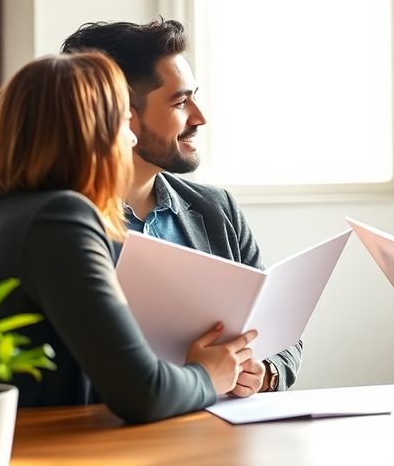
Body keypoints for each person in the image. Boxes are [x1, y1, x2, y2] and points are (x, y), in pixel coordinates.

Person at [0, 52, 257, 423]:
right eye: (122, 122)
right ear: (91, 132)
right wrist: (209, 376)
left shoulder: (7, 213)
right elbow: (143, 394)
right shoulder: (60, 219)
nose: (131, 137)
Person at [60, 20, 302, 396]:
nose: (199, 116)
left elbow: (280, 332)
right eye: (179, 102)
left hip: (219, 433)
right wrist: (199, 378)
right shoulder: (62, 226)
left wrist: (264, 371)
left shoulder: (215, 209)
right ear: (122, 114)